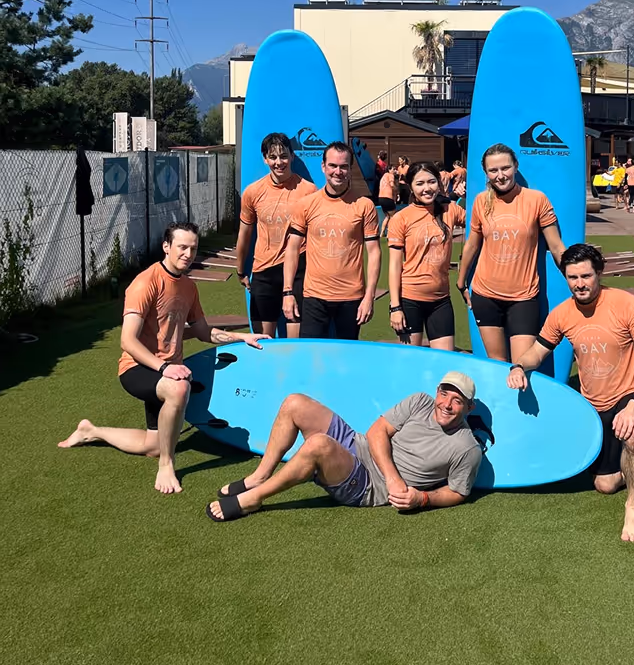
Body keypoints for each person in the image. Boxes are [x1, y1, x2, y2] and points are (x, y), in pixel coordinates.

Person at [58, 222, 266, 494]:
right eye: (182, 247)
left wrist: (243, 338)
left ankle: (91, 431)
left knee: (153, 446)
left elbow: (203, 332)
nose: (188, 254)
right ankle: (167, 465)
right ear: (166, 247)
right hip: (137, 367)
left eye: (193, 248)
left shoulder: (189, 287)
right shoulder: (146, 282)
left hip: (166, 370)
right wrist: (164, 366)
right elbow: (127, 341)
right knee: (180, 387)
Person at [507, 243, 634, 542]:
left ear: (599, 272)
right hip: (594, 406)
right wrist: (519, 366)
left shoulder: (627, 305)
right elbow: (537, 351)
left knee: (632, 433)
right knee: (604, 484)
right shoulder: (562, 314)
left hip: (630, 395)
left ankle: (633, 506)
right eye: (572, 278)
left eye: (586, 276)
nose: (580, 284)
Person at [207, 371, 482, 521]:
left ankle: (253, 499)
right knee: (295, 402)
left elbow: (458, 492)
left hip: (370, 485)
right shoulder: (420, 401)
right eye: (444, 394)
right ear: (437, 392)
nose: (446, 404)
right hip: (361, 447)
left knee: (319, 445)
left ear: (469, 408)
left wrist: (422, 499)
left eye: (457, 401)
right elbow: (376, 432)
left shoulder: (466, 448)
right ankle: (259, 476)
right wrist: (394, 476)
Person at [456, 143, 565, 363]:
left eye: (505, 168)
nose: (500, 175)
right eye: (493, 170)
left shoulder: (536, 200)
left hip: (523, 298)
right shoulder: (480, 202)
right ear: (486, 173)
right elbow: (472, 245)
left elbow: (556, 246)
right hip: (485, 295)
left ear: (515, 166)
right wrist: (461, 282)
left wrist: (577, 275)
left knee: (522, 365)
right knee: (496, 364)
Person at [282, 141, 381, 339]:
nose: (338, 171)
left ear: (350, 169)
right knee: (311, 359)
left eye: (344, 166)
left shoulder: (364, 205)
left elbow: (374, 252)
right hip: (314, 297)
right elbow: (292, 250)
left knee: (346, 362)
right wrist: (287, 292)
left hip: (351, 299)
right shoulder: (306, 205)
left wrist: (369, 296)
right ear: (323, 166)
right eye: (333, 166)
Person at [235, 132, 317, 338]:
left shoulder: (308, 190)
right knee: (262, 341)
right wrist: (240, 269)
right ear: (265, 159)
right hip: (264, 269)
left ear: (292, 156)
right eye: (273, 157)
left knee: (295, 343)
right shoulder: (253, 192)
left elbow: (317, 236)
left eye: (283, 156)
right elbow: (244, 234)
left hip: (299, 268)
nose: (278, 162)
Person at [388, 162, 466, 351]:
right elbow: (395, 265)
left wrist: (468, 194)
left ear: (439, 183)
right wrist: (395, 308)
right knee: (410, 363)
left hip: (441, 300)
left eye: (431, 182)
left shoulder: (451, 210)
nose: (427, 188)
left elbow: (481, 221)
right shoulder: (401, 218)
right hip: (409, 300)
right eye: (420, 183)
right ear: (411, 187)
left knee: (444, 361)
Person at [377, 162, 398, 235]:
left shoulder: (383, 177)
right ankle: (391, 233)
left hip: (380, 198)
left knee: (387, 216)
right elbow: (392, 185)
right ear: (389, 170)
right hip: (387, 198)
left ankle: (382, 233)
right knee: (393, 216)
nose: (395, 171)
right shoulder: (390, 175)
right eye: (394, 169)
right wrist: (397, 190)